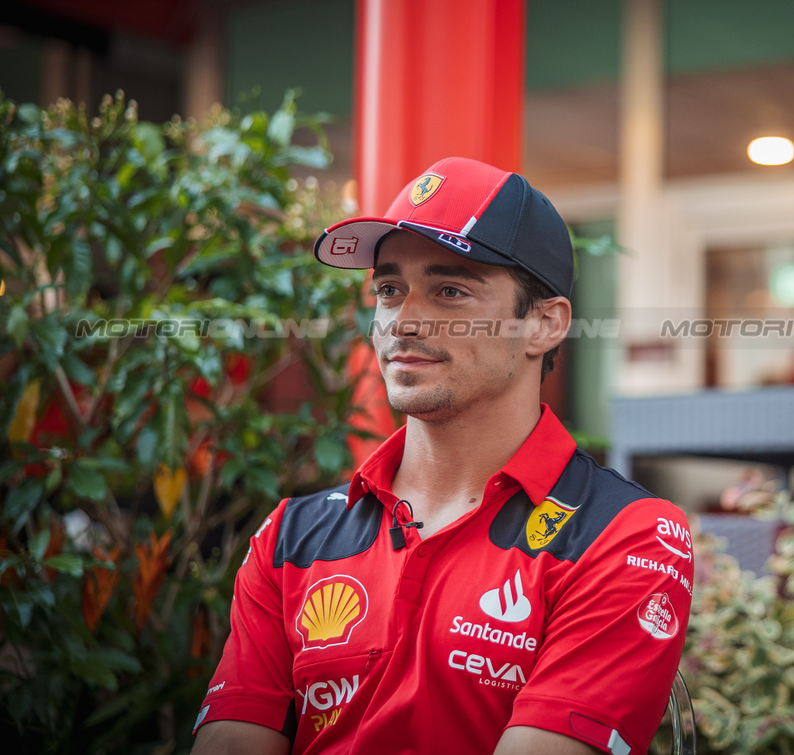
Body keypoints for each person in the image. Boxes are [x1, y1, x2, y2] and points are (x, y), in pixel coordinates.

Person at [192, 157, 693, 755]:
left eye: (450, 290)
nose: (403, 319)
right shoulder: (289, 536)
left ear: (543, 325)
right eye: (388, 289)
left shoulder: (626, 535)